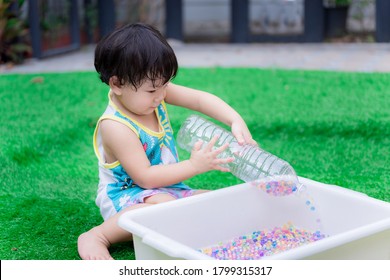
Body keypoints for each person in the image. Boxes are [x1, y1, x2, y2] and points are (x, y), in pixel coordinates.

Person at [77, 23, 256, 260]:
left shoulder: (154, 90)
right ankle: (99, 236)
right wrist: (194, 166)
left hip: (167, 189)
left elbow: (201, 100)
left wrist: (234, 120)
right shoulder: (116, 126)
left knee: (213, 202)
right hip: (128, 197)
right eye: (152, 90)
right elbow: (145, 177)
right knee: (165, 208)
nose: (161, 95)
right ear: (117, 84)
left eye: (165, 85)